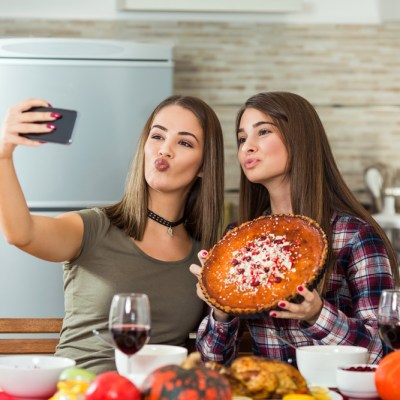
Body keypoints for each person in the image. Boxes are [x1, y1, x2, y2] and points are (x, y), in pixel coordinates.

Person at [0, 95, 225, 373]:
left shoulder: (204, 257)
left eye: (184, 142)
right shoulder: (93, 227)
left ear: (204, 166)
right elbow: (22, 234)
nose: (164, 150)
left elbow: (215, 349)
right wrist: (3, 153)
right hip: (81, 390)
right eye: (157, 136)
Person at [191, 91, 399, 367]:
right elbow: (211, 362)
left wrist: (317, 314)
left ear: (299, 138)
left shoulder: (355, 236)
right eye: (242, 139)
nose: (246, 148)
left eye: (262, 132)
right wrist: (221, 310)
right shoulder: (239, 241)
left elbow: (388, 357)